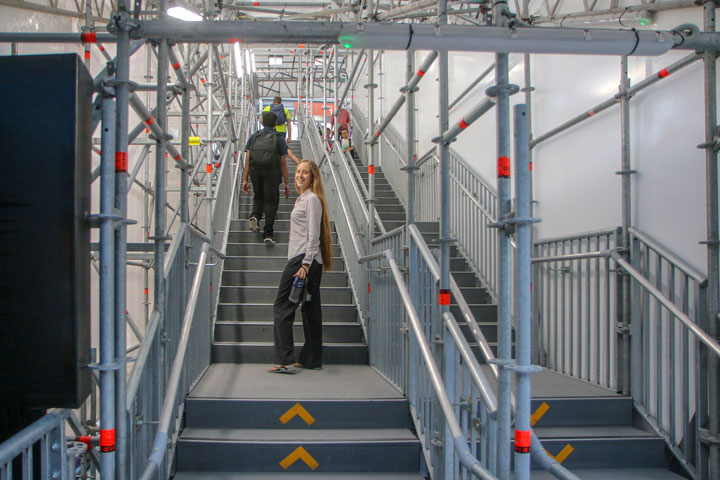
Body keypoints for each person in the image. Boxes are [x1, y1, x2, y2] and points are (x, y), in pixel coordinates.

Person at [270, 159, 333, 373]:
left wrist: (305, 264)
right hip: (307, 259)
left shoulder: (311, 200)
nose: (300, 175)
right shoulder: (303, 199)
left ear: (313, 177)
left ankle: (283, 359)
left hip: (303, 260)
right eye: (298, 172)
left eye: (305, 172)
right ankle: (311, 359)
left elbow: (313, 234)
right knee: (310, 310)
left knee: (282, 306)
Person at [242, 110, 290, 244]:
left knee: (258, 196)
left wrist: (245, 179)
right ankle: (268, 234)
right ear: (276, 123)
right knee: (271, 201)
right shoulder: (279, 138)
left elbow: (247, 159)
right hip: (272, 173)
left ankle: (255, 216)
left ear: (261, 122)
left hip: (254, 171)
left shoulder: (254, 137)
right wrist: (287, 183)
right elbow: (283, 162)